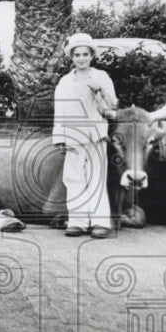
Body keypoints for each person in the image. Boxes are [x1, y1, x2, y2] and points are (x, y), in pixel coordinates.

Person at [52, 32, 117, 238]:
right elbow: (59, 111)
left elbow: (112, 106)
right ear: (71, 57)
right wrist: (59, 137)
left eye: (85, 54)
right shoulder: (64, 82)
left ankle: (100, 222)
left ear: (91, 55)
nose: (81, 58)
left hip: (96, 134)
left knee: (96, 177)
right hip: (73, 135)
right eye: (77, 54)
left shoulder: (101, 77)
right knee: (73, 178)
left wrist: (101, 91)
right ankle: (78, 221)